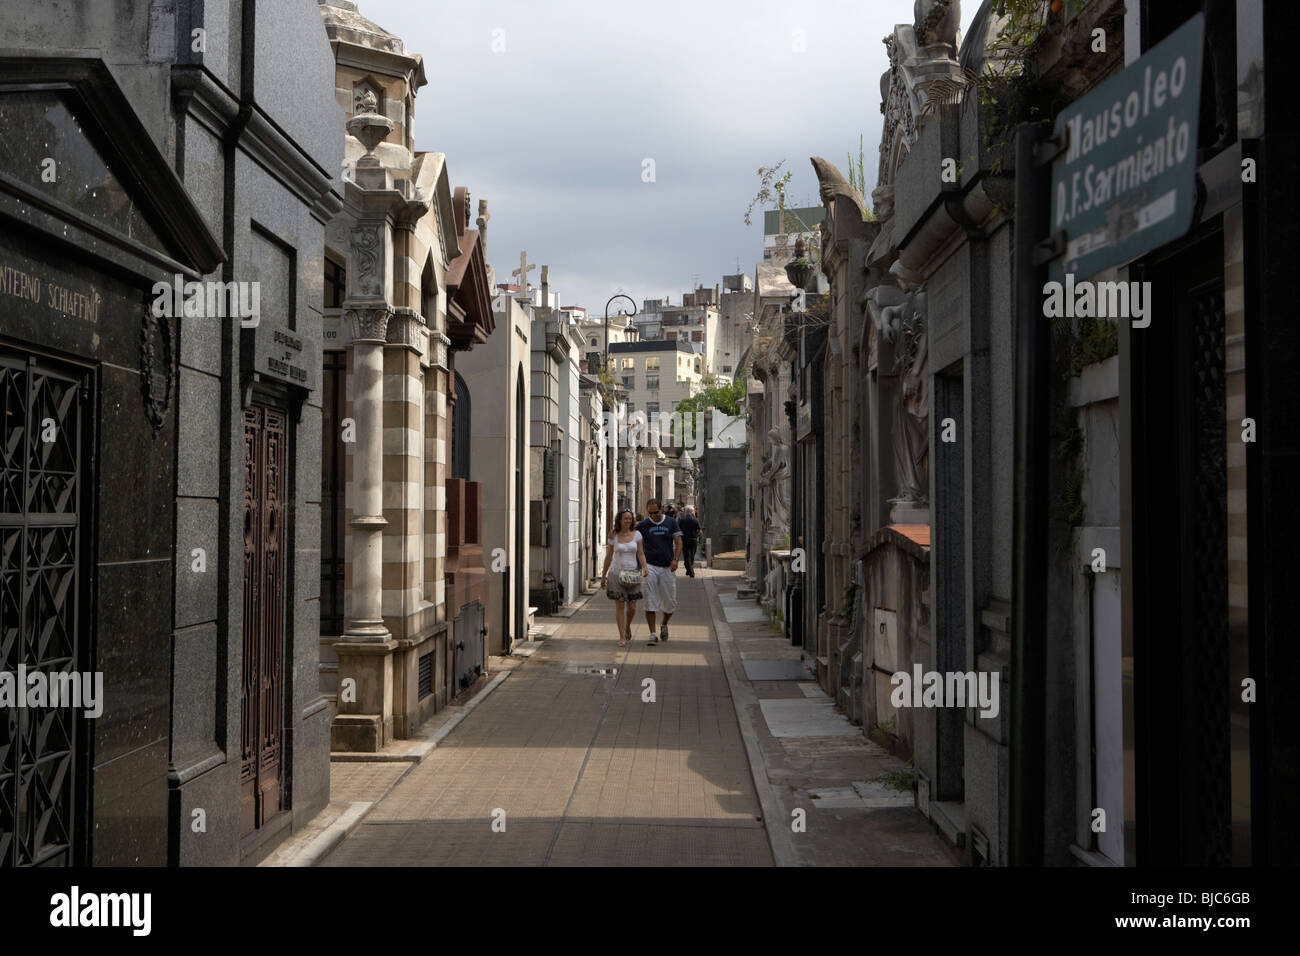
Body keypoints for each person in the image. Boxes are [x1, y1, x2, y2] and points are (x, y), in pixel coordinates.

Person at [635, 498, 682, 645]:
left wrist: (676, 559)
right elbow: (631, 537)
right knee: (650, 600)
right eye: (650, 513)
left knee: (670, 602)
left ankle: (664, 624)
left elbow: (679, 542)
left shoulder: (671, 522)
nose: (653, 515)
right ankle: (652, 633)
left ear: (661, 509)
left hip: (667, 566)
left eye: (655, 512)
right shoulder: (643, 525)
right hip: (650, 566)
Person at [601, 509, 648, 647]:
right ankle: (622, 636)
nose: (628, 521)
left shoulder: (637, 534)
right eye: (625, 518)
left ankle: (627, 626)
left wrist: (645, 567)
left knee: (632, 606)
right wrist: (603, 576)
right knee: (620, 605)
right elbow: (609, 556)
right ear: (619, 520)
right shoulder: (613, 535)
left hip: (633, 573)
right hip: (616, 573)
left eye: (630, 518)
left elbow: (640, 553)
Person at [677, 505, 703, 577]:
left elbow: (678, 530)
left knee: (686, 556)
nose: (694, 512)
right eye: (693, 511)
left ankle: (688, 569)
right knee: (692, 555)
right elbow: (700, 531)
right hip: (693, 539)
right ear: (691, 512)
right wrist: (696, 535)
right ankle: (691, 572)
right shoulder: (695, 520)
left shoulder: (682, 520)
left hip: (684, 540)